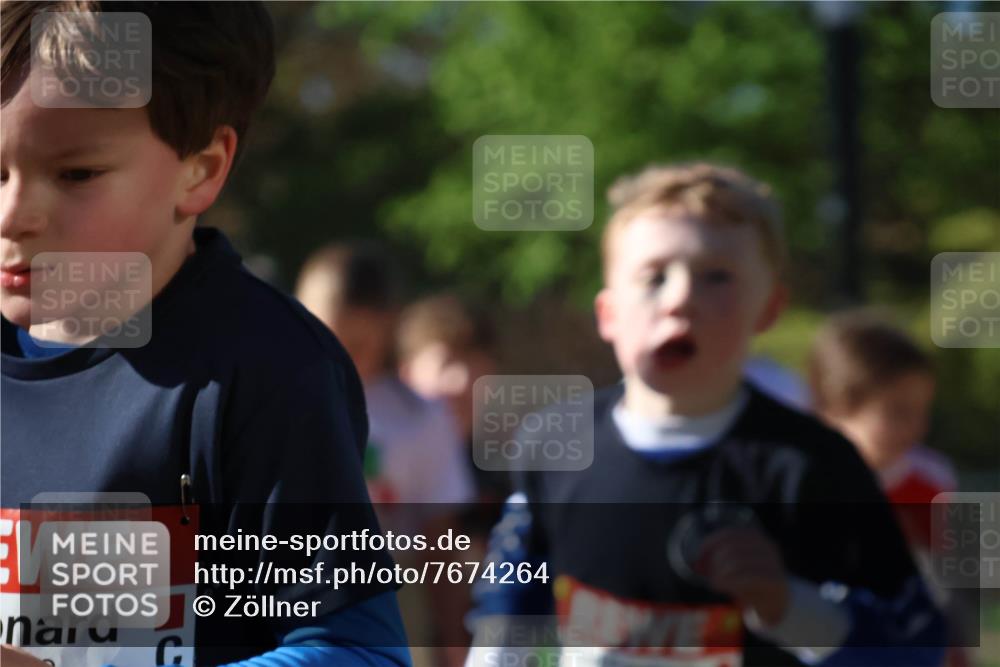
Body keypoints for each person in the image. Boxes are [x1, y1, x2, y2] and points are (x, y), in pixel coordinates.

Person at [0, 3, 409, 667]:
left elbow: (357, 652)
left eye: (76, 174)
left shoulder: (267, 369)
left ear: (202, 167)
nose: (14, 215)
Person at [465, 163, 946, 667]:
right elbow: (512, 593)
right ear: (607, 314)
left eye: (716, 276)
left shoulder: (813, 466)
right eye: (653, 276)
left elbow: (913, 646)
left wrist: (790, 605)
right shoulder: (555, 442)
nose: (680, 299)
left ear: (769, 309)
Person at [296, 244, 474, 667]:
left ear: (388, 325)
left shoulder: (420, 418)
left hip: (391, 600)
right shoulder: (273, 404)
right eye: (329, 335)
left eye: (359, 343)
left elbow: (441, 540)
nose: (343, 355)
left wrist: (454, 643)